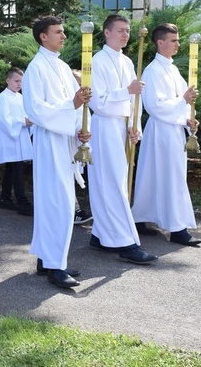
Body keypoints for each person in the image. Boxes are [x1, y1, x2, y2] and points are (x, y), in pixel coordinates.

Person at [22, 15, 91, 288]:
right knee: (55, 203)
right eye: (58, 32)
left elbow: (77, 107)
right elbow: (35, 110)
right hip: (48, 142)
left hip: (64, 141)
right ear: (43, 36)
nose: (64, 36)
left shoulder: (62, 67)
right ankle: (54, 266)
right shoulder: (35, 69)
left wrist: (80, 130)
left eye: (63, 32)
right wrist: (70, 106)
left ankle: (49, 259)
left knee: (61, 202)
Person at [87, 15, 159, 264]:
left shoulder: (128, 61)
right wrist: (126, 91)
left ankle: (100, 234)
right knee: (111, 183)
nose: (125, 35)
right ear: (106, 33)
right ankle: (125, 243)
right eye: (120, 30)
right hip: (105, 127)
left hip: (122, 128)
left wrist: (134, 125)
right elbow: (99, 103)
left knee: (116, 181)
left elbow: (134, 102)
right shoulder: (97, 61)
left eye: (127, 31)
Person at [132, 23, 201, 246]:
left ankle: (140, 218)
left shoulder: (172, 69)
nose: (178, 44)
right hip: (161, 131)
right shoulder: (153, 71)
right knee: (170, 178)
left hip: (174, 130)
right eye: (174, 40)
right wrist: (183, 101)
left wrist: (189, 118)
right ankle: (177, 229)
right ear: (160, 43)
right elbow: (154, 105)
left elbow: (183, 100)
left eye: (178, 40)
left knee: (156, 176)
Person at [0, 67, 34, 216]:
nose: (19, 84)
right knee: (16, 170)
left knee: (11, 170)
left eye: (21, 81)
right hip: (10, 140)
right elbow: (2, 118)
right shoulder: (3, 97)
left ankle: (5, 198)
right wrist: (22, 122)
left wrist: (29, 121)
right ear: (8, 80)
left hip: (19, 139)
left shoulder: (20, 97)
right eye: (16, 81)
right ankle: (22, 202)